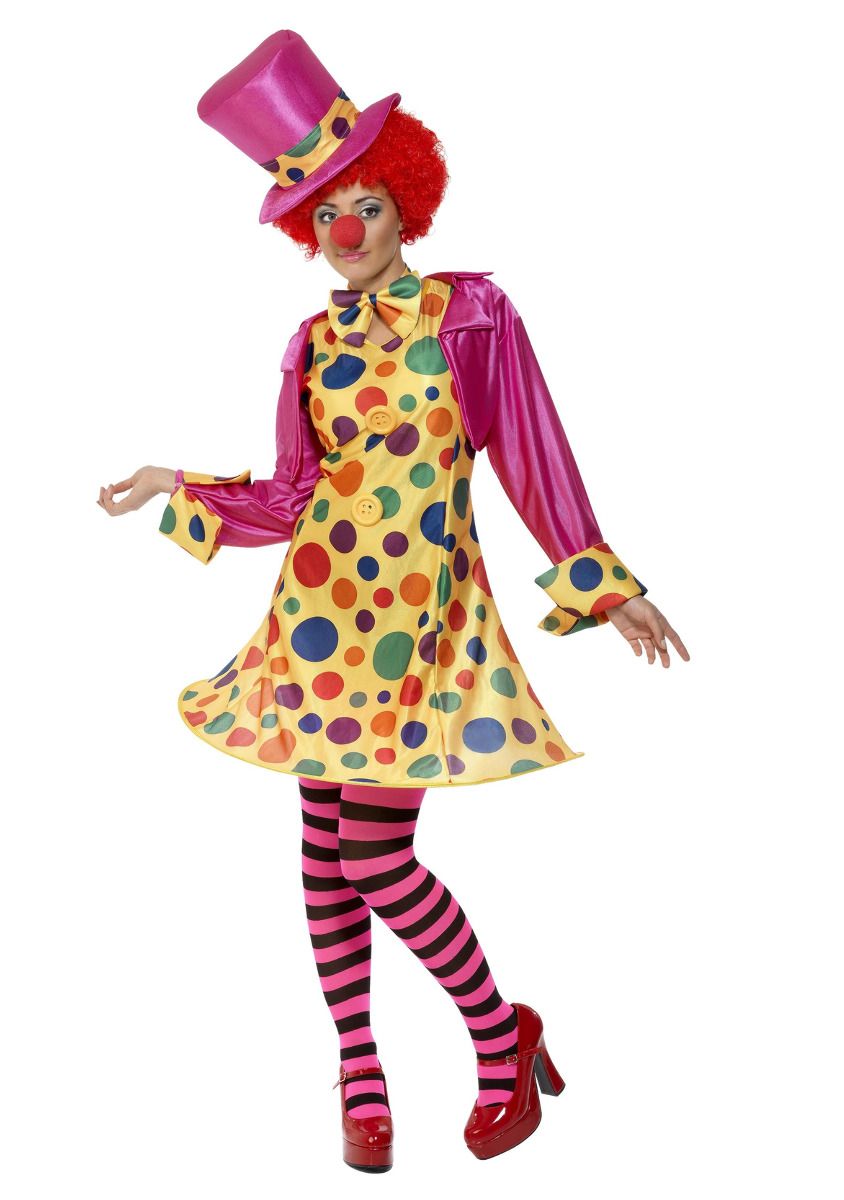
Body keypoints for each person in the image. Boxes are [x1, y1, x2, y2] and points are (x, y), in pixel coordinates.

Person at [98, 30, 690, 1171]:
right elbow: (293, 495)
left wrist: (601, 581)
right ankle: (360, 1067)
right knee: (325, 853)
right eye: (325, 214)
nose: (347, 232)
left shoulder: (471, 315)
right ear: (303, 229)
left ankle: (501, 1034)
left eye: (365, 205)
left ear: (404, 200)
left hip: (419, 630)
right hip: (317, 625)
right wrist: (182, 486)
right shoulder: (310, 345)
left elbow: (530, 450)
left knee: (376, 860)